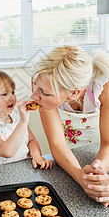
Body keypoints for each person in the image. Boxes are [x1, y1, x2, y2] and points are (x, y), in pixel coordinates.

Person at [31, 45, 109, 207]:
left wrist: (96, 173)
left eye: (45, 93)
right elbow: (57, 144)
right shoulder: (44, 81)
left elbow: (107, 143)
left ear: (74, 93)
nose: (34, 96)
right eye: (35, 84)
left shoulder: (104, 88)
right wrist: (79, 175)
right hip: (67, 156)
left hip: (99, 153)